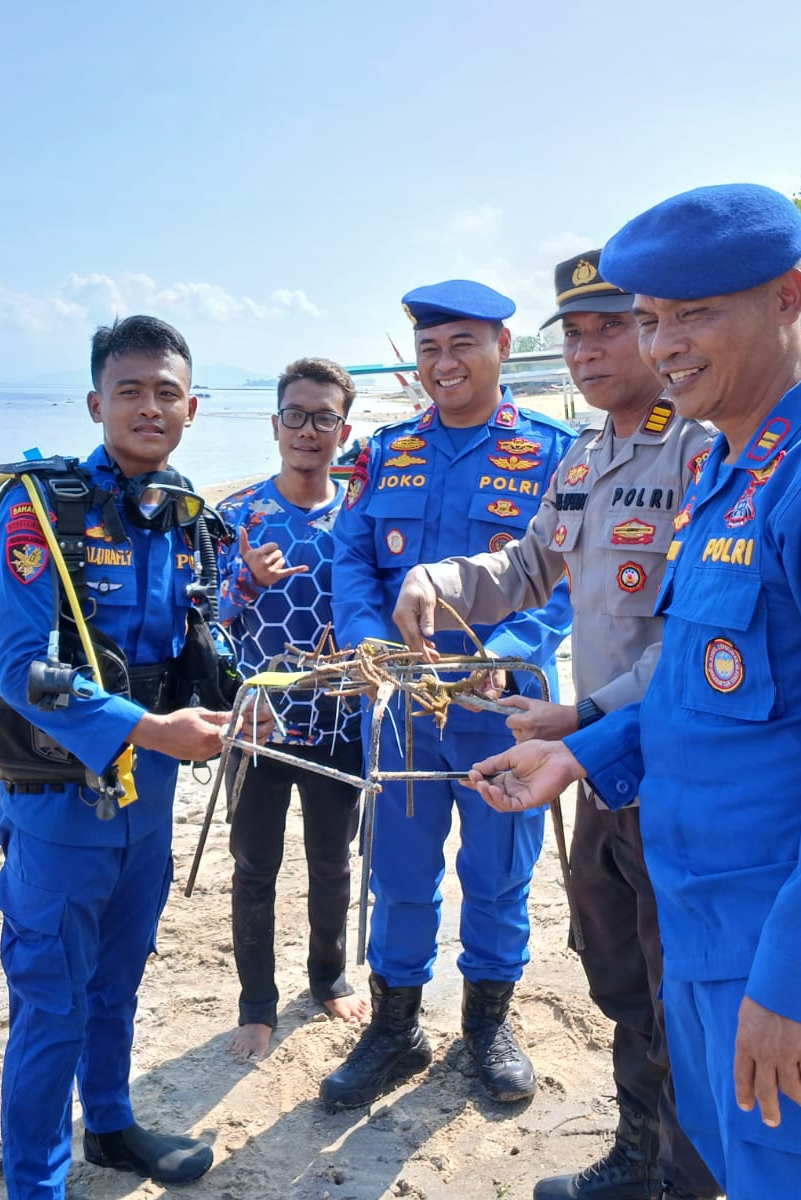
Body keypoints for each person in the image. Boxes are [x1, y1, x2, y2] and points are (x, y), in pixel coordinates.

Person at [466, 184, 801, 1199]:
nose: (665, 346)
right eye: (651, 321)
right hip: (698, 926)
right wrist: (580, 752)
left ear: (786, 298)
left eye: (693, 314)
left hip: (783, 943)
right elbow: (708, 686)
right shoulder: (733, 472)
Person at [393, 251, 718, 1200]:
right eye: (573, 333)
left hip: (674, 768)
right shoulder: (584, 456)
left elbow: (705, 633)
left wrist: (582, 714)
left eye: (612, 325)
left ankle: (686, 1178)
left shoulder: (704, 450)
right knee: (616, 965)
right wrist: (440, 579)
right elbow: (525, 565)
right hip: (596, 773)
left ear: (657, 331)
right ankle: (638, 1154)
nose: (588, 349)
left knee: (680, 984)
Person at [0, 315, 240, 1200]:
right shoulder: (39, 510)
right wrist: (150, 730)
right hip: (61, 804)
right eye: (129, 390)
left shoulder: (186, 517)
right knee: (50, 1006)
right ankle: (36, 1184)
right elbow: (22, 671)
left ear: (192, 407)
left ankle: (112, 1124)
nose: (148, 407)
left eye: (166, 391)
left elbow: (196, 649)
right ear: (96, 402)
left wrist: (241, 707)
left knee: (117, 984)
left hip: (150, 803)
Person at [322, 280, 576, 1108]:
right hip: (396, 705)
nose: (444, 363)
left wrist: (507, 652)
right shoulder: (386, 453)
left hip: (503, 706)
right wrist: (365, 634)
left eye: (462, 343)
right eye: (429, 348)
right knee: (397, 870)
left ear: (503, 345)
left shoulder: (554, 452)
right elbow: (353, 557)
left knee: (499, 869)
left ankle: (486, 1027)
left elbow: (575, 574)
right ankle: (395, 1029)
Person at [216, 356, 370, 1065]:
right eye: (297, 415)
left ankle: (329, 975)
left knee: (332, 862)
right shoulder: (236, 516)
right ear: (275, 423)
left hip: (339, 718)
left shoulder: (362, 516)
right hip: (259, 726)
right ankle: (256, 1005)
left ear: (345, 427)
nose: (310, 430)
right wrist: (243, 582)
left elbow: (384, 604)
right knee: (254, 867)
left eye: (325, 417)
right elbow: (207, 627)